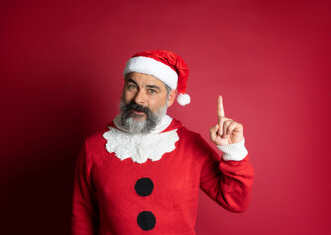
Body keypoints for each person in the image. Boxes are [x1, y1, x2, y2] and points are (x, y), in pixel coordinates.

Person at [71, 50, 254, 235]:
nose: (138, 99)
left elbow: (235, 201)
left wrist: (233, 151)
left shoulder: (190, 144)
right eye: (132, 86)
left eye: (151, 90)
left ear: (171, 97)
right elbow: (83, 215)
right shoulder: (93, 147)